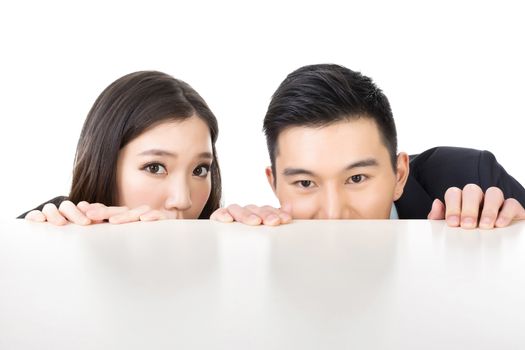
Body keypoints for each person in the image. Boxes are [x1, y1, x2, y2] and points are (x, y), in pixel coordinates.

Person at [211, 64, 525, 229]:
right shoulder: (266, 238)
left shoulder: (470, 176)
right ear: (274, 183)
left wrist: (514, 235)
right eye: (305, 183)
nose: (334, 214)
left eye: (357, 178)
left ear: (399, 174)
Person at [21, 71, 222, 225]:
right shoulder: (56, 229)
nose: (182, 200)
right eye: (155, 167)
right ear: (105, 166)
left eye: (200, 170)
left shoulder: (221, 251)